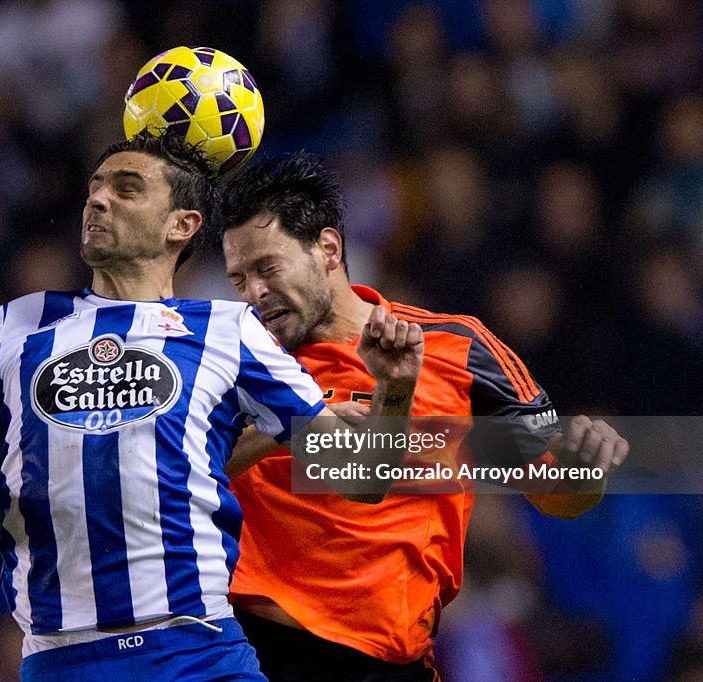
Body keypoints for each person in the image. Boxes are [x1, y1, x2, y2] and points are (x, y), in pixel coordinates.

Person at [0, 130, 424, 681]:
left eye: (127, 190)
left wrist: (393, 388)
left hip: (199, 655)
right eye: (94, 189)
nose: (98, 201)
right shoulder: (15, 327)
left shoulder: (228, 328)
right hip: (60, 660)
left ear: (181, 225)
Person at [219, 152, 629, 682]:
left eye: (267, 268)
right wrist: (286, 428)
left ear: (327, 249)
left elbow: (553, 491)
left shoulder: (456, 348)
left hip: (396, 659)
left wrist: (584, 474)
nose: (254, 293)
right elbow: (179, 472)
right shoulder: (234, 364)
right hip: (260, 649)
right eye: (239, 279)